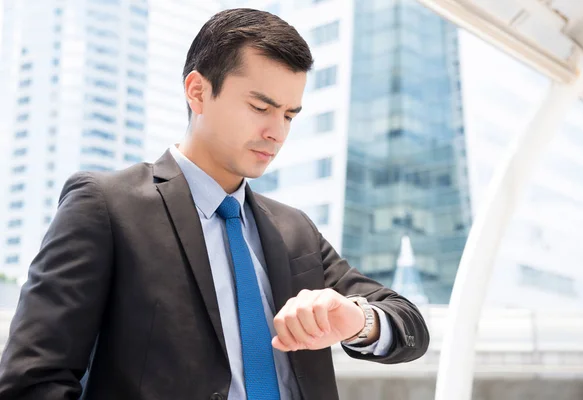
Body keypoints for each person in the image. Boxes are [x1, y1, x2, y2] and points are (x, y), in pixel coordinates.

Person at [0, 8, 429, 400]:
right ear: (198, 91)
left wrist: (358, 321)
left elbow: (408, 324)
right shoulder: (107, 208)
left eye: (289, 115)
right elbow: (33, 380)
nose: (276, 132)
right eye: (261, 107)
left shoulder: (293, 229)